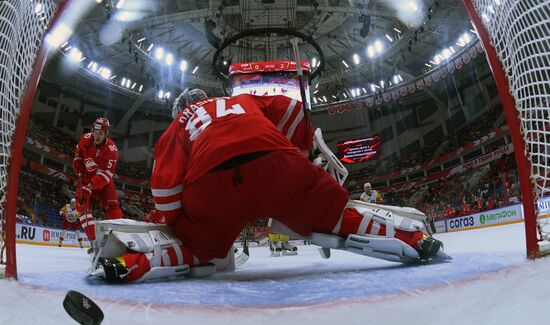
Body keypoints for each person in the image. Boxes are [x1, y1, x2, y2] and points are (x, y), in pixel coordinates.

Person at [96, 89, 443, 282]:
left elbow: (166, 190)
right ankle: (413, 236)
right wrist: (303, 152)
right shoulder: (242, 99)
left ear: (179, 110)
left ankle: (134, 261)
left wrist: (180, 225)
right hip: (278, 163)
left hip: (214, 186)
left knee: (200, 253)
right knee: (338, 216)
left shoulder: (179, 125)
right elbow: (294, 112)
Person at [72, 118, 123, 246]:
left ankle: (121, 238)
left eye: (101, 133)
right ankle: (94, 242)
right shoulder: (86, 139)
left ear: (106, 133)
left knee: (113, 207)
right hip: (85, 179)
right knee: (80, 207)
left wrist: (90, 187)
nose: (97, 135)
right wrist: (77, 159)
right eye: (96, 131)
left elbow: (105, 174)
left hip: (103, 181)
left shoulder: (112, 150)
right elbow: (78, 150)